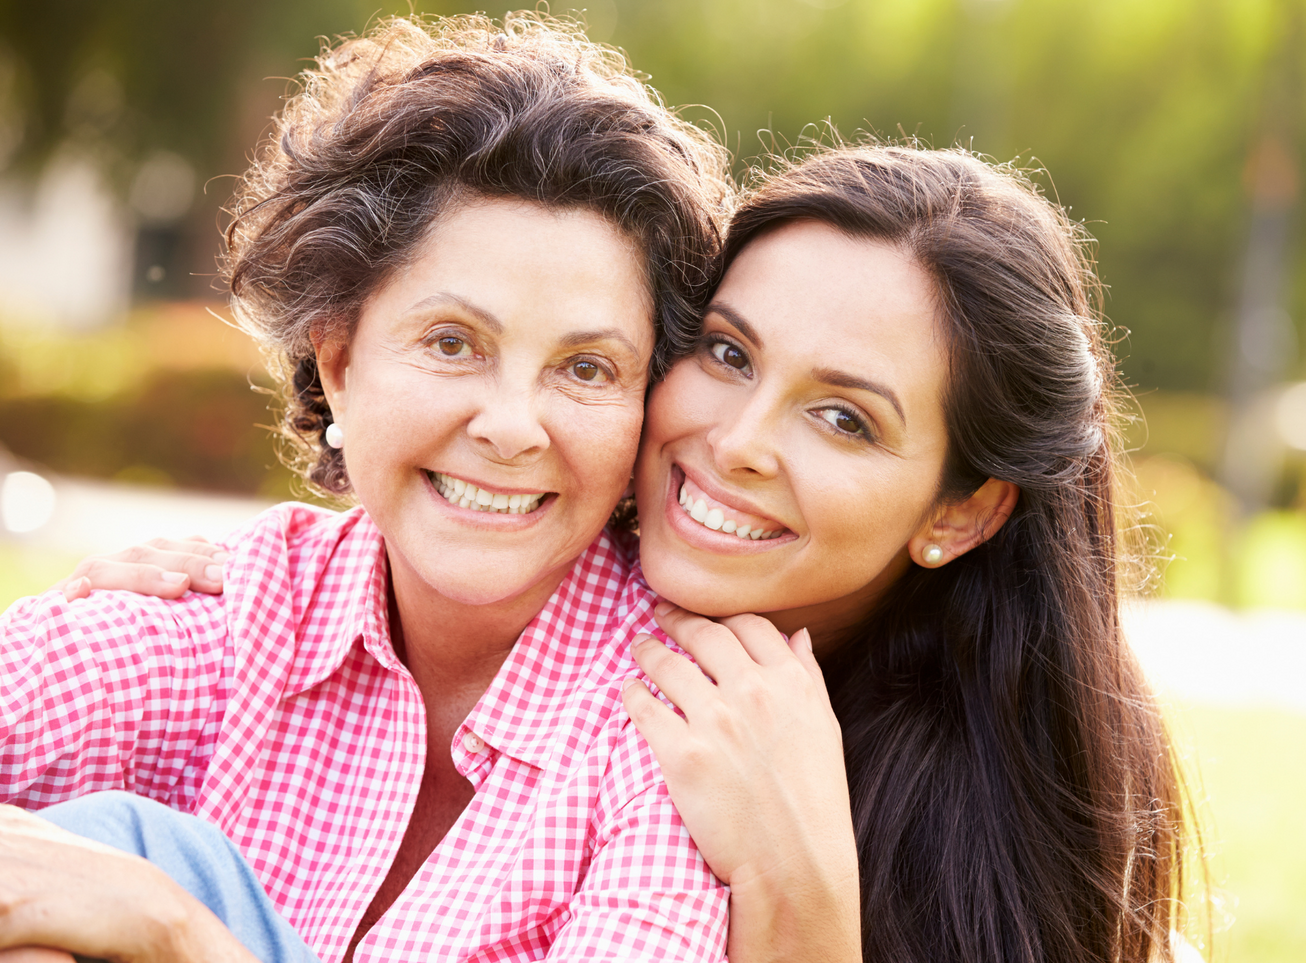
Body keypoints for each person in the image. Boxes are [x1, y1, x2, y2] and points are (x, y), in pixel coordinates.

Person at [29, 145, 1198, 963]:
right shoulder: (325, 602)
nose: (733, 443)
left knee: (137, 861)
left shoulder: (922, 810)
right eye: (729, 355)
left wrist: (803, 898)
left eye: (844, 418)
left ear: (960, 511)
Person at [0, 12, 734, 963]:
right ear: (340, 361)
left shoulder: (676, 719)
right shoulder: (241, 610)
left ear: (647, 404)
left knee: (134, 867)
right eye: (451, 342)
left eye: (586, 368)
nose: (512, 426)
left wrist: (174, 929)